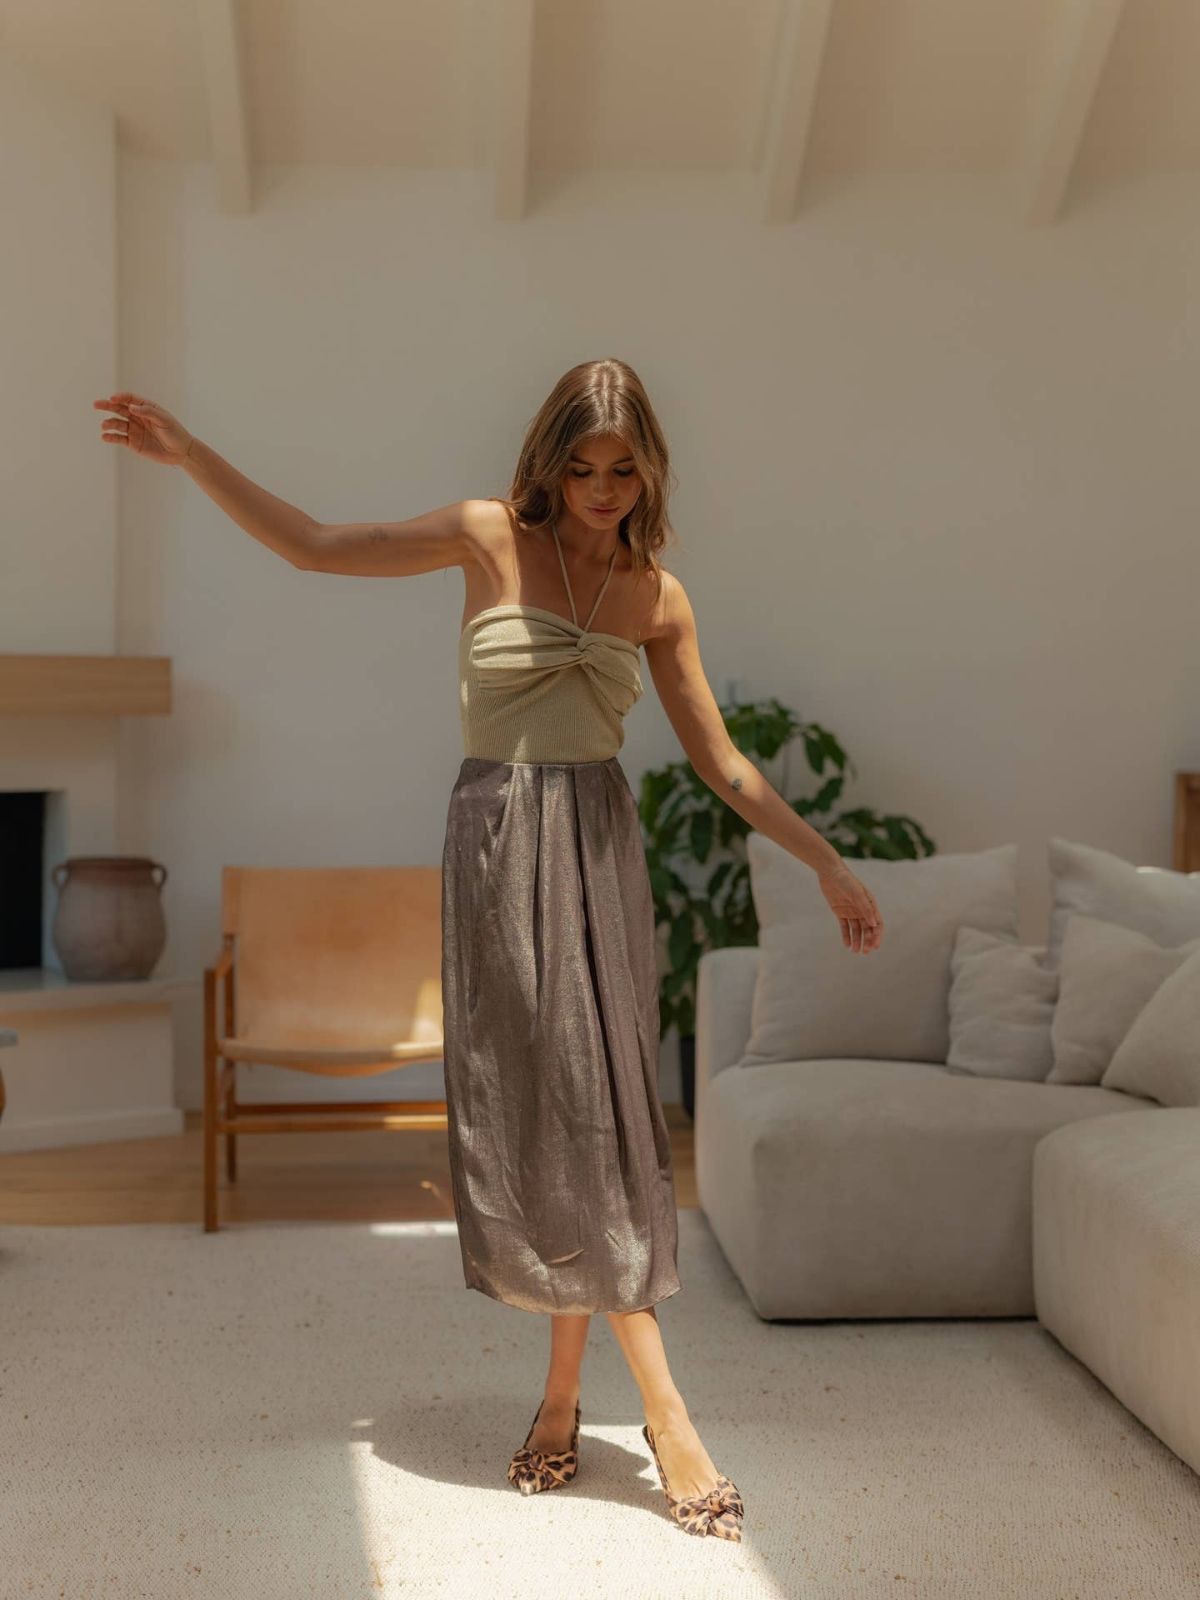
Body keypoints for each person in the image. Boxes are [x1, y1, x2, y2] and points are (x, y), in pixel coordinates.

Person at [94, 357, 884, 1541]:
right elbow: (315, 543)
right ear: (549, 460)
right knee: (561, 1113)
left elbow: (724, 764)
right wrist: (191, 455)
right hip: (500, 846)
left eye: (625, 470)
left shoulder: (658, 595)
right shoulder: (483, 539)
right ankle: (657, 1412)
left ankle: (584, 1401)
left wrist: (824, 859)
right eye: (584, 466)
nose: (604, 490)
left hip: (599, 855)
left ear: (649, 471)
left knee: (600, 1113)